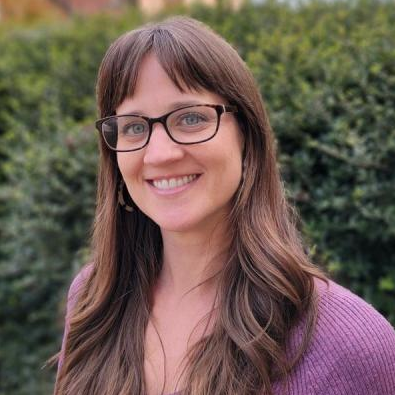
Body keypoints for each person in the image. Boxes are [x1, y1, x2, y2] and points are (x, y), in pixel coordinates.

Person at [54, 16, 395, 395]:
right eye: (134, 126)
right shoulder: (94, 298)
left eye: (191, 118)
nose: (160, 153)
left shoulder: (346, 342)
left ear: (247, 136)